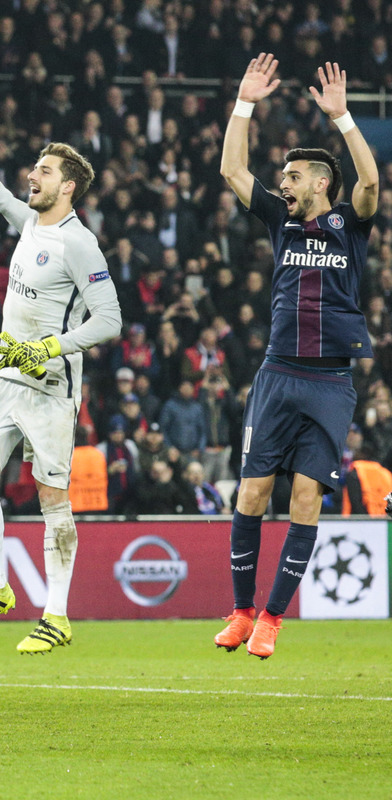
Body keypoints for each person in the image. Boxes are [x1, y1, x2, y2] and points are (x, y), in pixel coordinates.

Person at [215, 57, 378, 659]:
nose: (281, 183)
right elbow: (232, 166)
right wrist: (243, 102)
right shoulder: (278, 224)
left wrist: (343, 119)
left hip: (331, 382)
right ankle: (239, 610)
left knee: (306, 497)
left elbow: (370, 186)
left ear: (319, 183)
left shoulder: (348, 225)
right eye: (280, 176)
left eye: (292, 176)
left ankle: (273, 620)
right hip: (278, 376)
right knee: (252, 494)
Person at [0, 142, 122, 654]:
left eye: (44, 171)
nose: (34, 175)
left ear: (67, 186)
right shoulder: (34, 221)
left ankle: (56, 615)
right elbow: (20, 221)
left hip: (52, 383)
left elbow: (110, 321)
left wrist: (52, 345)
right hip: (8, 370)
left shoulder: (82, 245)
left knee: (50, 496)